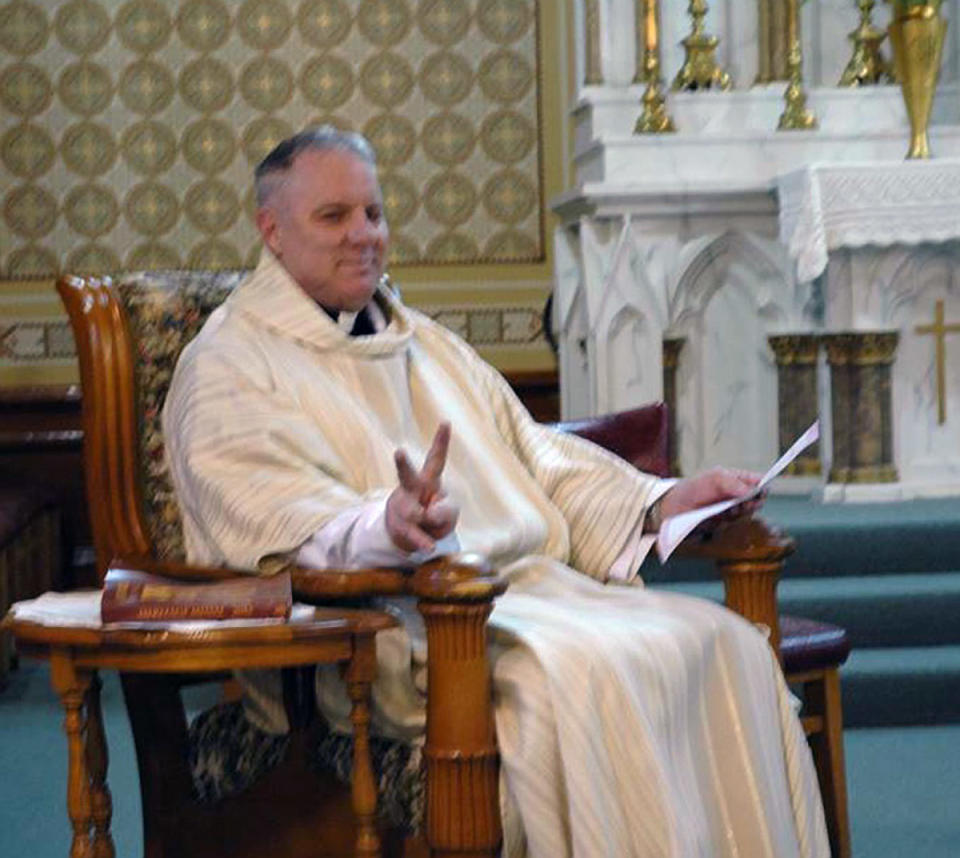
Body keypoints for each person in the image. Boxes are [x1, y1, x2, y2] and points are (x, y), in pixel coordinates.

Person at [163, 127, 829, 858]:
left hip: (529, 596)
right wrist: (388, 525)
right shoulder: (229, 360)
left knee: (721, 643)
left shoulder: (424, 341)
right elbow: (262, 513)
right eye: (334, 217)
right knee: (569, 682)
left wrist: (661, 501)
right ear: (272, 230)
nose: (364, 236)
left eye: (374, 214)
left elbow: (535, 455)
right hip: (391, 634)